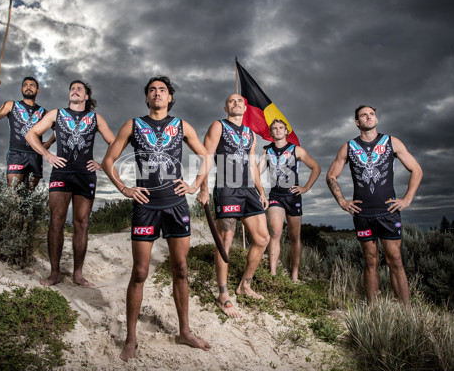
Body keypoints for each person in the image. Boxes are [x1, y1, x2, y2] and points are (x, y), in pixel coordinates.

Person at [103, 76, 211, 361]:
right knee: (139, 272)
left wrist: (196, 184)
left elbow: (205, 156)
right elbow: (107, 160)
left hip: (176, 204)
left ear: (170, 97)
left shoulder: (182, 126)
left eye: (162, 90)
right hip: (145, 206)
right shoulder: (133, 125)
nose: (157, 93)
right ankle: (131, 338)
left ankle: (184, 332)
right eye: (152, 90)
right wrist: (125, 188)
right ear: (147, 98)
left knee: (181, 269)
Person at [326, 105, 422, 305]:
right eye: (364, 115)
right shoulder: (349, 147)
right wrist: (342, 201)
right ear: (357, 122)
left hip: (388, 211)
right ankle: (373, 310)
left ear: (376, 118)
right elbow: (331, 176)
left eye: (372, 114)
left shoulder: (391, 142)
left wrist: (407, 199)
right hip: (363, 214)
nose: (369, 117)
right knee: (370, 262)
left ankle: (406, 313)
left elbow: (417, 170)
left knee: (395, 261)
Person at [26, 80, 115, 287]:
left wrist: (102, 163)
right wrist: (47, 154)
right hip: (61, 174)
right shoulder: (56, 115)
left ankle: (78, 274)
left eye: (79, 89)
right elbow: (31, 134)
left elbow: (114, 141)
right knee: (56, 221)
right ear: (70, 95)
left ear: (86, 97)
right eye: (72, 89)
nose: (75, 91)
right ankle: (55, 273)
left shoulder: (94, 118)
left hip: (85, 175)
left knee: (81, 224)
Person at [197, 93, 271, 318]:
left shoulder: (250, 133)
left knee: (262, 238)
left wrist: (261, 190)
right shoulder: (218, 126)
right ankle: (223, 293)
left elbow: (251, 165)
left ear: (245, 108)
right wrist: (202, 188)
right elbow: (206, 156)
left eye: (240, 101)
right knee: (225, 240)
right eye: (231, 101)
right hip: (227, 187)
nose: (236, 103)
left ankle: (245, 285)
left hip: (248, 189)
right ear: (225, 106)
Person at [257, 119, 321, 281]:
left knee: (294, 237)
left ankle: (294, 275)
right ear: (271, 133)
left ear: (286, 132)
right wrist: (261, 193)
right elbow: (256, 173)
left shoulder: (297, 150)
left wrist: (305, 188)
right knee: (275, 233)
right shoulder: (267, 152)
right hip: (276, 196)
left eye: (281, 128)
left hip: (293, 197)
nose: (278, 131)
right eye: (274, 129)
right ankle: (273, 274)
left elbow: (316, 167)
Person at [0, 77, 55, 189]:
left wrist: (49, 143)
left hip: (35, 155)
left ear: (38, 91)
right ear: (21, 89)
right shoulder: (11, 105)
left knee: (30, 193)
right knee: (12, 191)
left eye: (32, 85)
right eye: (25, 85)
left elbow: (59, 130)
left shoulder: (43, 112)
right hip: (16, 154)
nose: (28, 87)